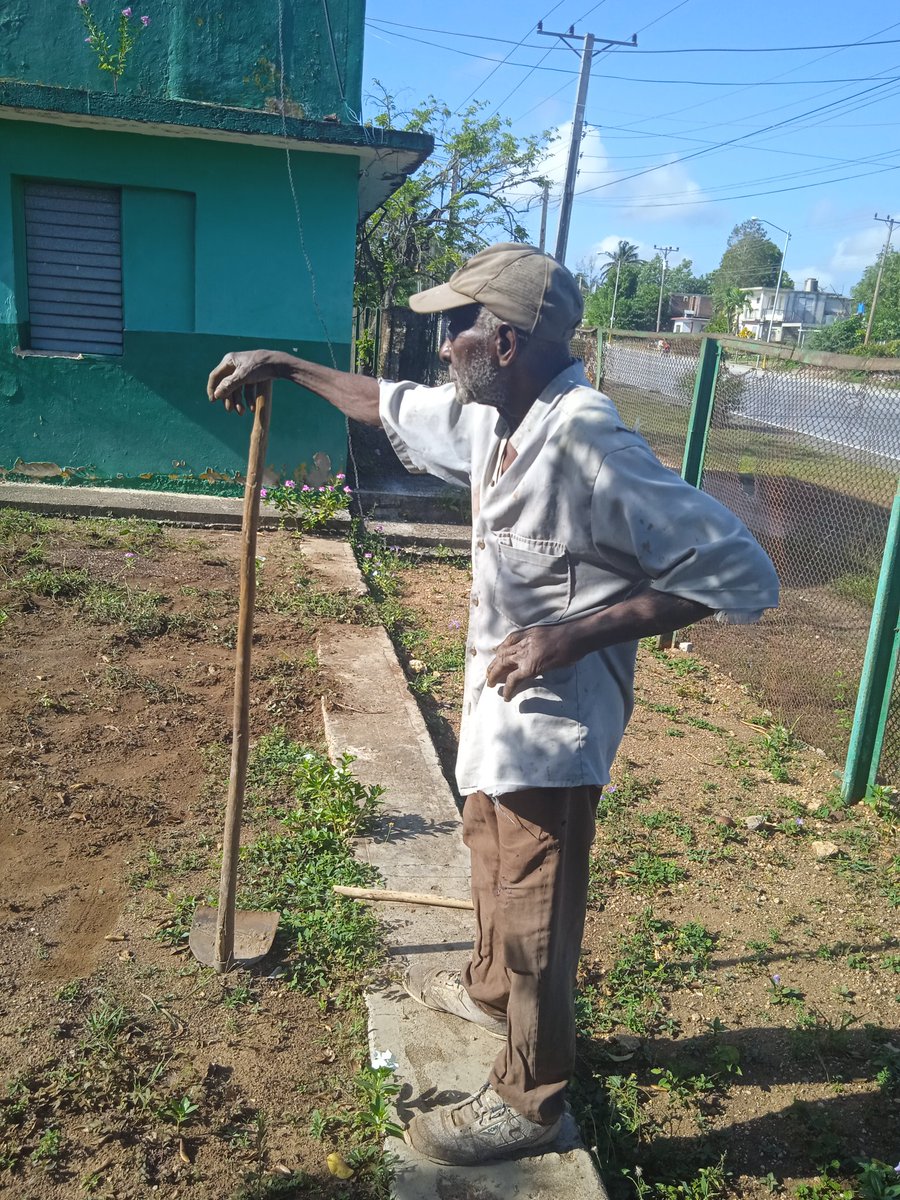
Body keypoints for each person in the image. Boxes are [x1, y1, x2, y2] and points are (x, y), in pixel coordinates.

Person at [207, 243, 779, 1168]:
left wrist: (574, 634)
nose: (441, 348)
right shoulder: (494, 419)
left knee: (534, 914)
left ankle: (530, 1096)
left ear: (505, 343)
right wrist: (288, 366)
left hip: (552, 735)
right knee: (485, 862)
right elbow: (386, 403)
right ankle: (484, 991)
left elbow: (741, 572)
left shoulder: (588, 440)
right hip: (495, 718)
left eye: (454, 329)